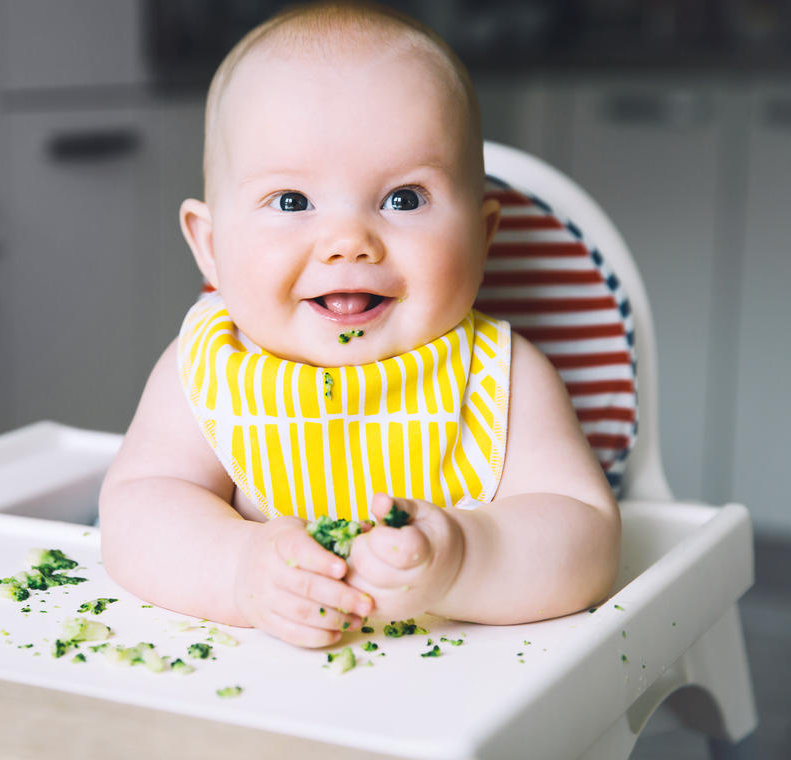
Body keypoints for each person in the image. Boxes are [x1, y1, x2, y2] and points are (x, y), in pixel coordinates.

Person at [99, 1, 619, 648]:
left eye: (403, 199)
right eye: (291, 201)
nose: (349, 241)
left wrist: (465, 560)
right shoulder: (206, 372)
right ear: (210, 246)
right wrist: (238, 570)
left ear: (483, 238)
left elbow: (587, 540)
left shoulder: (503, 379)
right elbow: (135, 513)